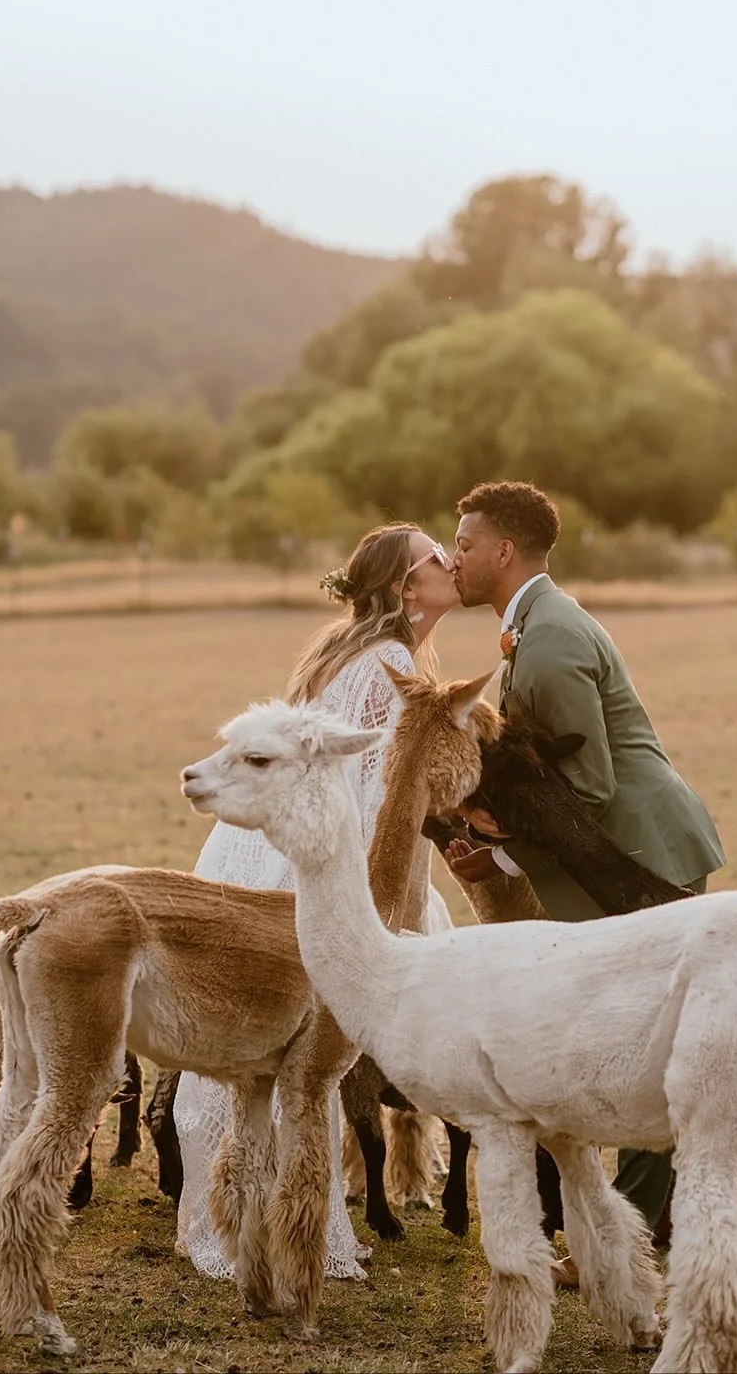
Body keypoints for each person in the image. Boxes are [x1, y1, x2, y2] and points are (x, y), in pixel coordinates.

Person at [448, 481, 725, 1268]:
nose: (454, 556)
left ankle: (626, 1243)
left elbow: (589, 789)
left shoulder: (551, 640)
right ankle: (629, 1232)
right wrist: (498, 851)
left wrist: (497, 830)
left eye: (464, 543)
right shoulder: (534, 626)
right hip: (617, 854)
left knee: (647, 1050)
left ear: (504, 552)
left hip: (638, 859)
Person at [174, 523, 461, 1282]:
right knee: (310, 1058)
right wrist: (379, 906)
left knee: (253, 1052)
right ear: (407, 587)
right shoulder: (392, 661)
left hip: (252, 856)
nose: (450, 562)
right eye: (437, 556)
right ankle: (296, 1229)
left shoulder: (340, 649)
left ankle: (233, 1217)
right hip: (305, 866)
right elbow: (377, 794)